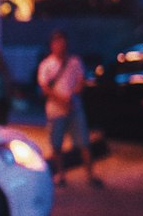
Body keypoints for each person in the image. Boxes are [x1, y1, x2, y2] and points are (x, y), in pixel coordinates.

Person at [37, 30, 102, 187]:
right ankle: (60, 175)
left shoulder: (75, 62)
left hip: (75, 108)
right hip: (55, 109)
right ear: (52, 45)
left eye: (63, 42)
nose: (61, 45)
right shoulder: (47, 64)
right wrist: (62, 100)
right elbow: (44, 87)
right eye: (57, 42)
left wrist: (73, 95)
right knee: (56, 144)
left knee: (84, 142)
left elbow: (81, 81)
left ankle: (90, 175)